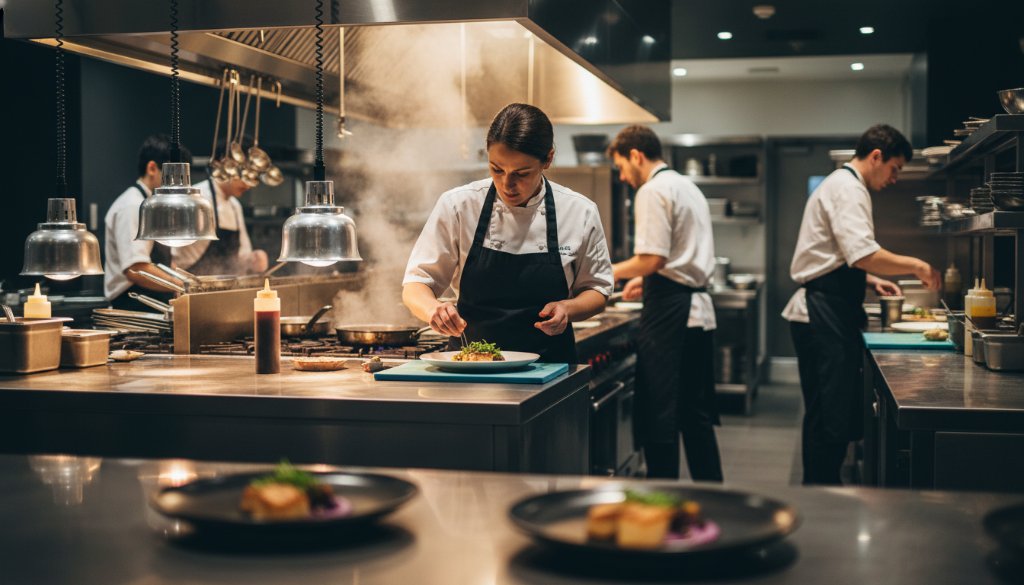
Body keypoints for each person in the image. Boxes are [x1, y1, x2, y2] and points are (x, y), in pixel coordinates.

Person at [783, 124, 941, 485]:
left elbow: (836, 256)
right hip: (821, 314)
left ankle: (820, 489)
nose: (895, 178)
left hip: (826, 311)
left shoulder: (842, 185)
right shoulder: (849, 188)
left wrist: (869, 279)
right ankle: (821, 494)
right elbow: (862, 254)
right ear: (876, 156)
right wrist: (917, 266)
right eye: (894, 169)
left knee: (828, 413)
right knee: (828, 416)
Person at [402, 103, 612, 363]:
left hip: (549, 368)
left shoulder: (579, 211)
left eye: (521, 173)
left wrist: (568, 308)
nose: (507, 184)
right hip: (471, 366)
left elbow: (597, 290)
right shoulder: (459, 205)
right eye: (496, 169)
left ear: (548, 159)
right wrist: (433, 309)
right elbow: (416, 284)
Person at [608, 125, 723, 482]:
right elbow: (676, 257)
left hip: (672, 315)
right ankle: (713, 494)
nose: (623, 177)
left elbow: (652, 258)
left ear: (636, 155)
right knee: (695, 417)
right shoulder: (687, 187)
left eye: (621, 167)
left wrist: (607, 272)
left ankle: (662, 497)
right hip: (697, 313)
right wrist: (646, 279)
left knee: (661, 416)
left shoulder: (652, 190)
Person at [103, 134, 188, 311]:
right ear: (152, 168)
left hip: (155, 303)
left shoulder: (153, 204)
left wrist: (183, 278)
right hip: (133, 307)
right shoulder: (133, 205)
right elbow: (136, 269)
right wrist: (182, 285)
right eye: (173, 176)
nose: (178, 185)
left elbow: (162, 261)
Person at [172, 142, 268, 276]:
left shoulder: (235, 206)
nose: (248, 184)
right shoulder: (194, 199)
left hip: (225, 284)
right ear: (225, 164)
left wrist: (254, 258)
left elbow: (242, 256)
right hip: (191, 282)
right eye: (244, 173)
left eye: (252, 176)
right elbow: (172, 256)